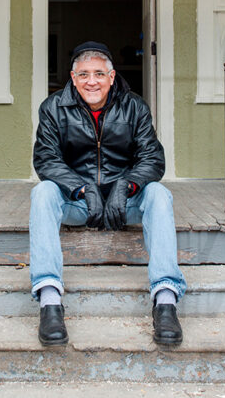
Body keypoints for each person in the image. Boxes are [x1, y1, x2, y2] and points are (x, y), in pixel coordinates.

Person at [29, 40, 186, 346]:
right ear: (73, 78)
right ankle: (49, 301)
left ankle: (165, 300)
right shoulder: (53, 108)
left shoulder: (135, 107)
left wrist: (125, 186)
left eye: (99, 74)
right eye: (84, 74)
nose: (92, 81)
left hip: (122, 203)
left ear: (111, 77)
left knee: (159, 194)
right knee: (43, 193)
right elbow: (46, 159)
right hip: (79, 204)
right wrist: (81, 188)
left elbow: (152, 158)